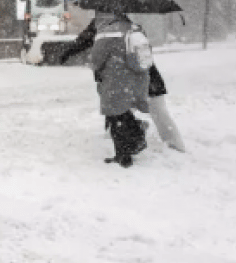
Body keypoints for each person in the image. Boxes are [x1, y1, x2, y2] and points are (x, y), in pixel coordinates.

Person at [59, 18, 185, 152]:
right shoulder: (131, 25)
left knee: (123, 110)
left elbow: (90, 49)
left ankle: (141, 136)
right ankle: (168, 142)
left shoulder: (104, 25)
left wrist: (66, 53)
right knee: (151, 110)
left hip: (127, 81)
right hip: (145, 77)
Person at [86, 11, 150, 167]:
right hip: (137, 77)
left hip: (116, 80)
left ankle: (125, 154)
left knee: (116, 117)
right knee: (123, 113)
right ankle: (136, 135)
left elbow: (95, 60)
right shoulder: (136, 29)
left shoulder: (107, 33)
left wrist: (92, 62)